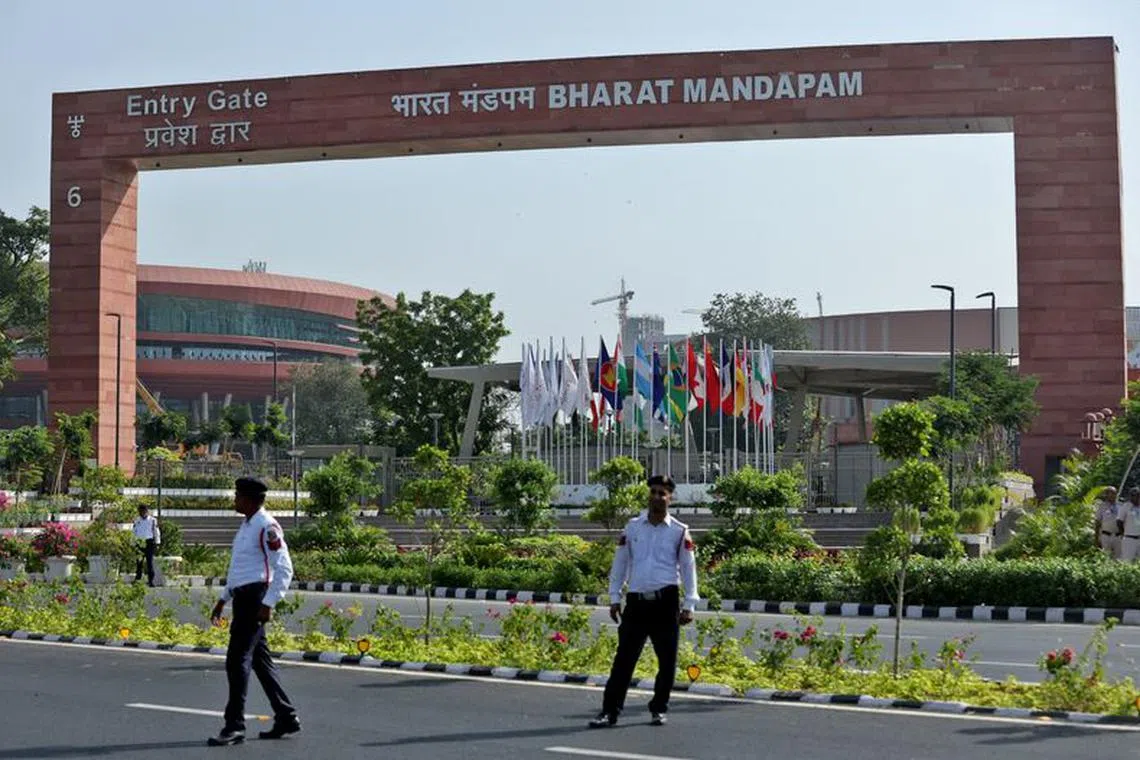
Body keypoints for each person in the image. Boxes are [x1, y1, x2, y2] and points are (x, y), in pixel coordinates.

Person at [589, 474, 698, 729]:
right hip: (636, 602)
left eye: (662, 493)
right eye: (654, 492)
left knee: (667, 661)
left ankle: (659, 708)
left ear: (670, 498)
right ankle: (609, 711)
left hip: (665, 601)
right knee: (624, 660)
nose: (657, 497)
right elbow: (620, 564)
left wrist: (689, 605)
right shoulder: (632, 528)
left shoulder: (679, 531)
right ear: (648, 495)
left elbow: (688, 567)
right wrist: (615, 597)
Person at [207, 476, 301, 746]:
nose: (235, 500)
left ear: (251, 500)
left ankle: (234, 725)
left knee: (236, 661)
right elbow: (240, 569)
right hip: (243, 597)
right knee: (260, 661)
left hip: (255, 599)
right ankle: (286, 715)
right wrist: (223, 599)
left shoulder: (266, 526)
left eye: (238, 496)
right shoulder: (247, 525)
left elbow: (283, 568)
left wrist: (268, 603)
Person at [132, 504, 161, 586]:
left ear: (147, 511)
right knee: (139, 563)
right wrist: (133, 543)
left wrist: (157, 543)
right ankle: (138, 580)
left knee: (149, 563)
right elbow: (134, 532)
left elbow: (156, 531)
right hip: (140, 542)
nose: (142, 513)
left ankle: (151, 581)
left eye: (144, 511)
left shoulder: (152, 520)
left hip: (149, 542)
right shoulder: (137, 520)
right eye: (140, 511)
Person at [1094, 486, 1120, 558]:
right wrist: (1096, 539)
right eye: (1109, 493)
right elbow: (1097, 523)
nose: (1112, 495)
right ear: (1106, 495)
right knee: (1106, 557)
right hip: (1106, 536)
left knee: (1118, 559)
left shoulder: (1120, 506)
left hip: (1118, 536)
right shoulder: (1102, 506)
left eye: (1114, 493)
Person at [1118, 487, 1140, 562]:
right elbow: (1119, 521)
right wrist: (1122, 533)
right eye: (1132, 495)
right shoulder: (1126, 506)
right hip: (1129, 539)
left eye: (1137, 495)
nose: (1135, 497)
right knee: (1126, 562)